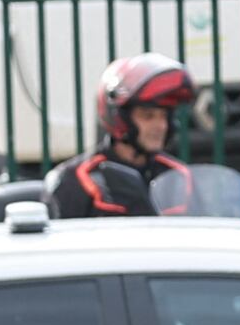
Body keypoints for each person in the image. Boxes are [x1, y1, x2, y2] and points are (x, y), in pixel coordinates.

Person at [45, 51, 204, 218]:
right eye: (147, 116)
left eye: (164, 116)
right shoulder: (78, 178)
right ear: (120, 117)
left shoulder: (179, 175)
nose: (160, 126)